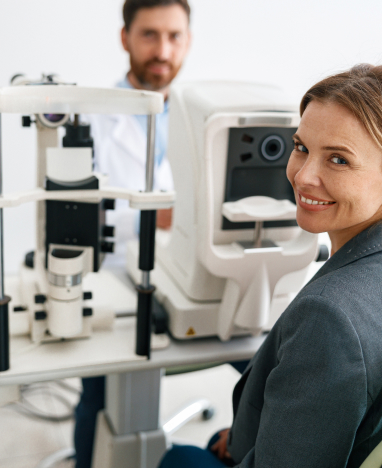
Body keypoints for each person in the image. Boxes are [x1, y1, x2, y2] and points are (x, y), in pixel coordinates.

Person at [158, 63, 382, 468]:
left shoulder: (329, 318)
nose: (303, 176)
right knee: (217, 439)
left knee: (180, 459)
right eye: (301, 147)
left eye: (339, 160)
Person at [74, 1, 191, 467]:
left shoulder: (199, 117)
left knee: (264, 364)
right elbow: (77, 218)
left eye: (175, 36)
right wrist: (153, 216)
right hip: (115, 278)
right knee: (100, 390)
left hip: (184, 274)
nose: (163, 50)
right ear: (125, 38)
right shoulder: (91, 119)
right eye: (149, 35)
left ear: (188, 41)